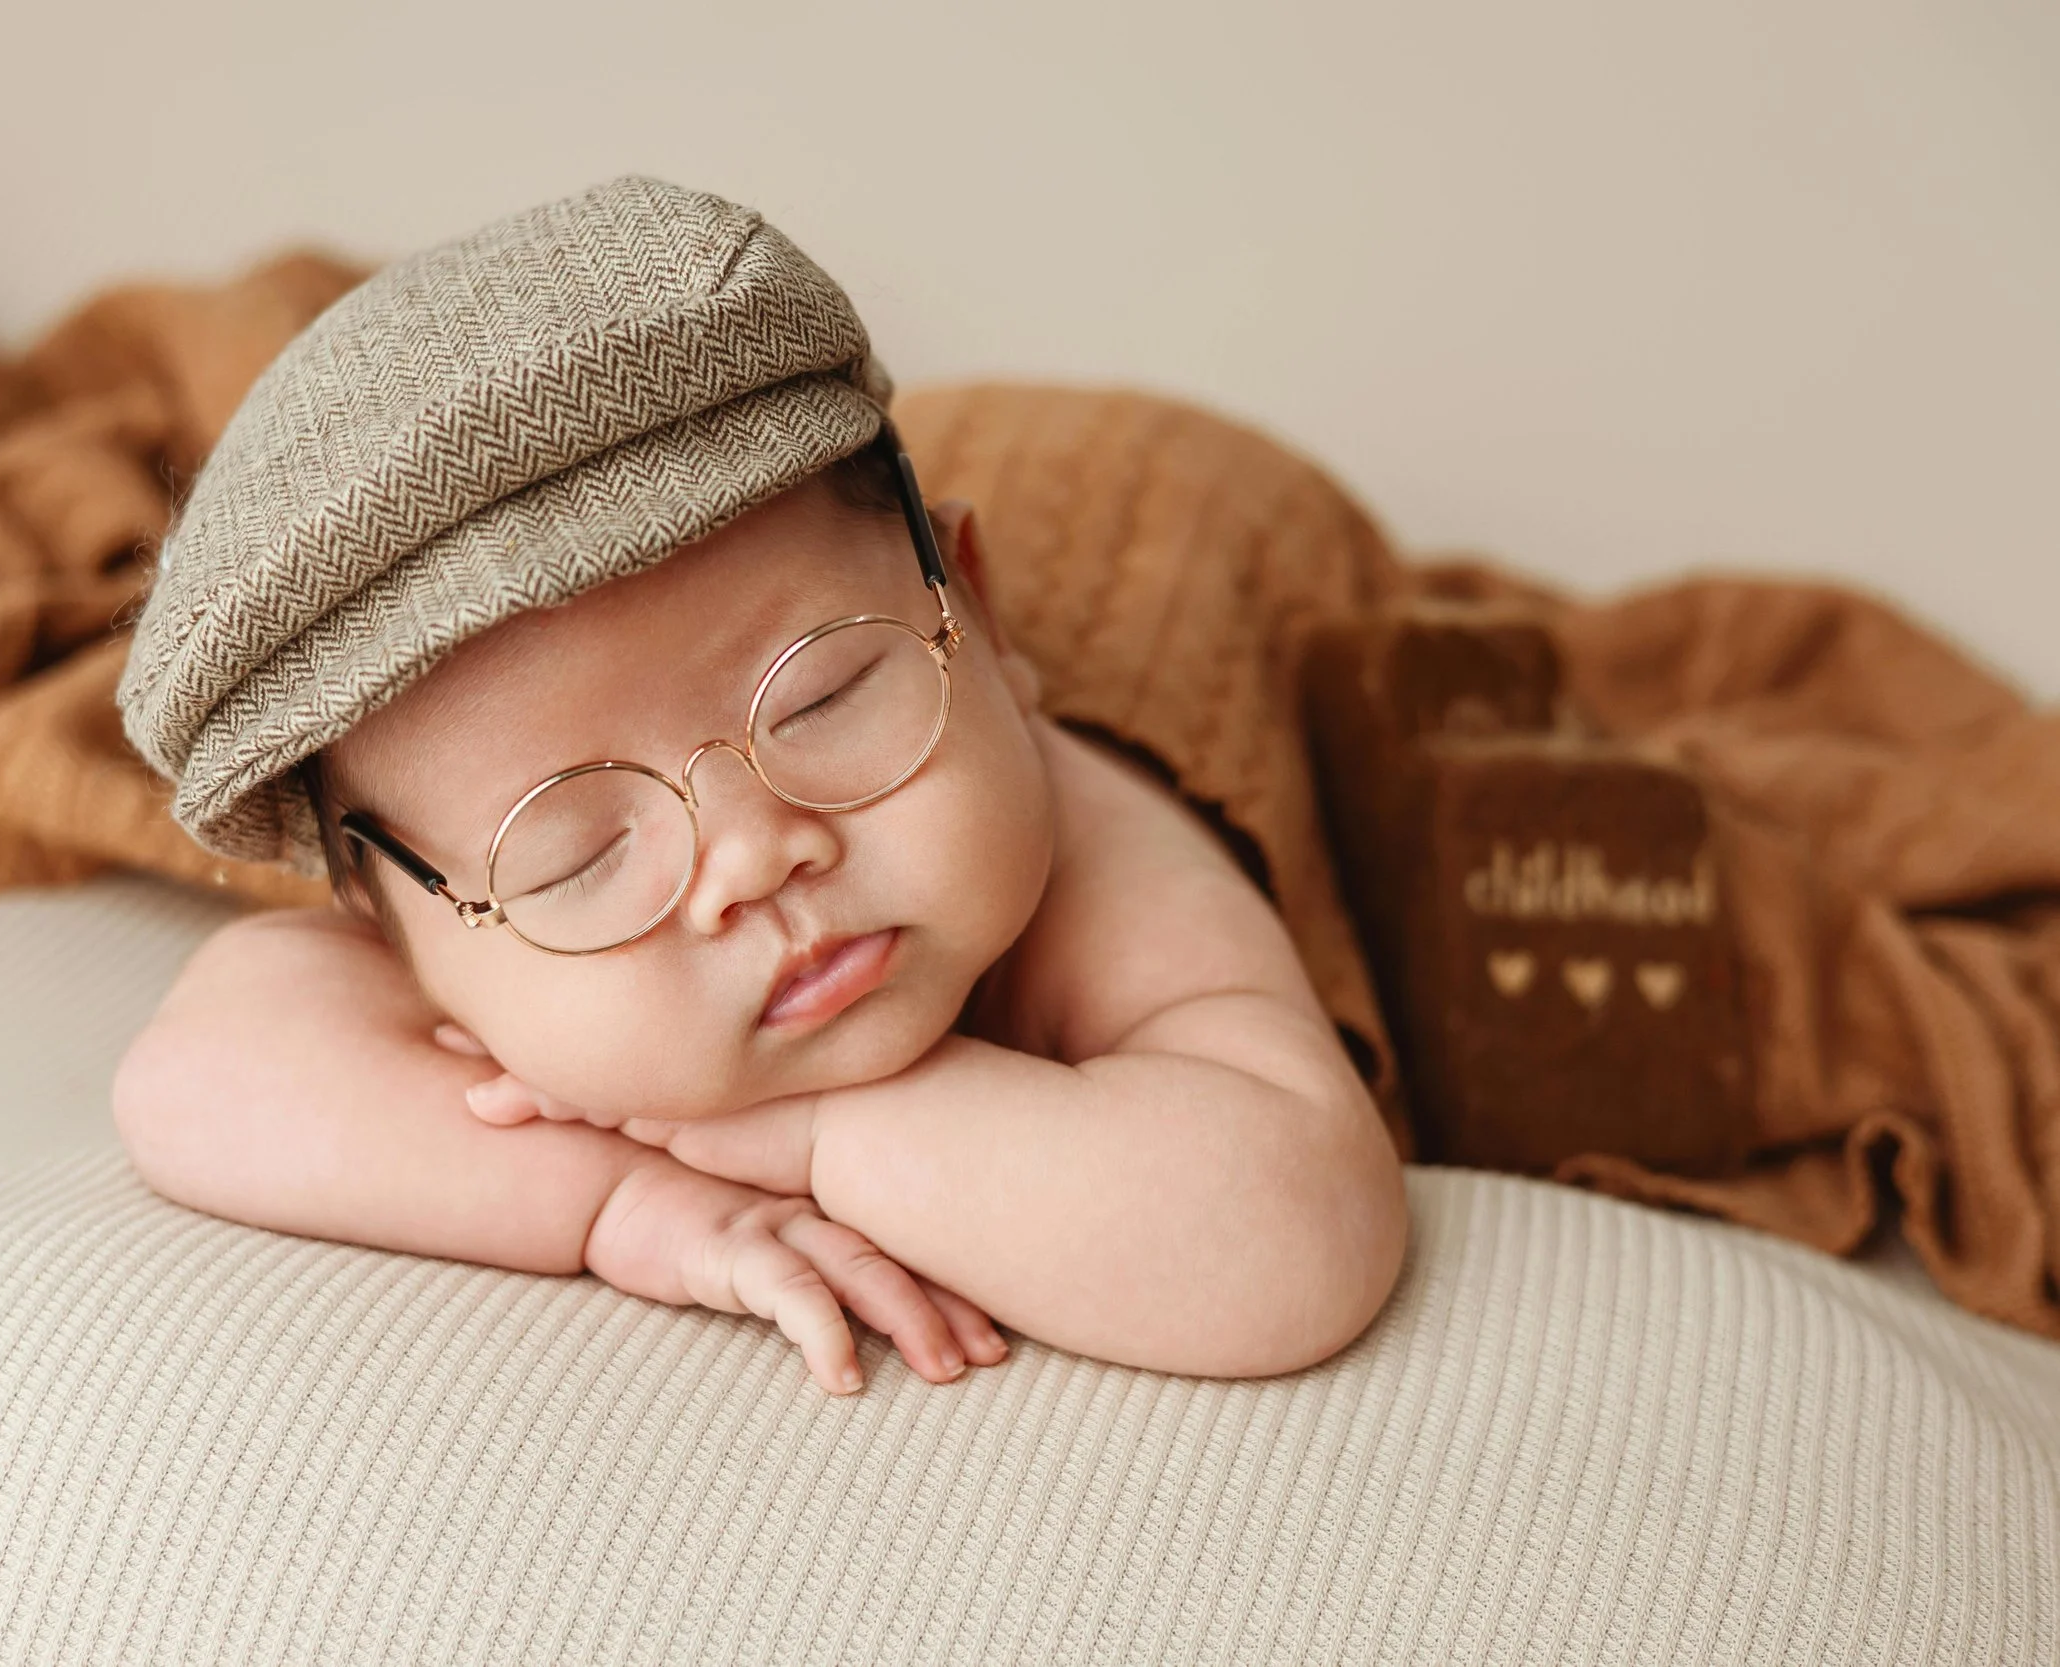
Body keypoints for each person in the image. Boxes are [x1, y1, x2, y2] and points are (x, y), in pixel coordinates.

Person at [112, 176, 1406, 1397]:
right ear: (381, 913)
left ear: (982, 614)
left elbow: (1295, 1240)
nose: (754, 855)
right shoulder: (442, 892)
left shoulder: (1094, 857)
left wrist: (819, 1142)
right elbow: (190, 1080)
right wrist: (626, 1204)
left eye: (823, 698)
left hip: (1161, 528)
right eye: (577, 855)